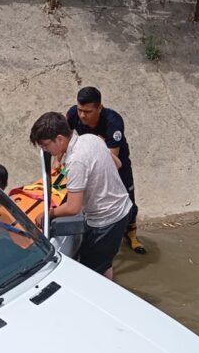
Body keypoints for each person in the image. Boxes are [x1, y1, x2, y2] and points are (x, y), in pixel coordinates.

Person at [30, 111, 133, 281]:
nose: (45, 150)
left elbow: (73, 207)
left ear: (60, 139)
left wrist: (49, 213)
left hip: (106, 220)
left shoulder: (75, 161)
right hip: (122, 209)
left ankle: (103, 299)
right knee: (104, 263)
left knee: (90, 273)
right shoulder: (90, 138)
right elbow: (118, 163)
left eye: (45, 145)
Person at [66, 86, 147, 254]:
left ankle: (132, 234)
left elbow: (112, 160)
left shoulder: (113, 122)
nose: (82, 115)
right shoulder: (73, 114)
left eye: (87, 111)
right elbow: (64, 138)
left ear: (99, 108)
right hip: (89, 163)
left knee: (128, 200)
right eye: (80, 110)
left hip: (117, 165)